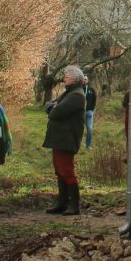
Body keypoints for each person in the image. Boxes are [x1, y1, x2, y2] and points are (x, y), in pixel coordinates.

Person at [43, 64, 86, 215]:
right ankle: (62, 203)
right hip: (60, 138)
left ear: (74, 79)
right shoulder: (69, 92)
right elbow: (50, 105)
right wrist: (52, 107)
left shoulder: (76, 95)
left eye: (67, 77)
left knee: (66, 171)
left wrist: (52, 108)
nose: (64, 79)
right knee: (60, 171)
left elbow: (56, 112)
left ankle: (74, 205)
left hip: (67, 139)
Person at [83, 76, 98, 149]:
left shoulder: (91, 89)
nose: (84, 80)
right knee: (78, 129)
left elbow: (95, 99)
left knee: (89, 130)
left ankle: (88, 145)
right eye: (83, 79)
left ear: (88, 80)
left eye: (86, 79)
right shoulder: (79, 89)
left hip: (89, 112)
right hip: (80, 113)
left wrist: (92, 109)